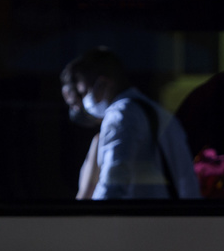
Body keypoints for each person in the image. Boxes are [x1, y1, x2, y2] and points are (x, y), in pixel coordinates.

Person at [60, 48, 201, 200]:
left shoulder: (119, 116)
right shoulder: (162, 114)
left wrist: (93, 220)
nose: (84, 102)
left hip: (143, 221)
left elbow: (112, 187)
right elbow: (188, 184)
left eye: (84, 92)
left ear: (103, 84)